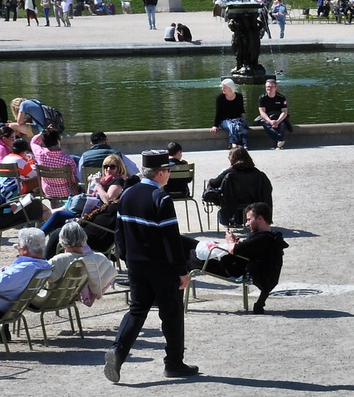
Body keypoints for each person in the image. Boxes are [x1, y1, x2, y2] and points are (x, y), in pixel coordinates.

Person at [105, 150, 198, 383]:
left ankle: (118, 350)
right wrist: (181, 271)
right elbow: (171, 238)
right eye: (167, 170)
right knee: (172, 314)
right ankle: (174, 363)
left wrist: (127, 257)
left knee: (137, 311)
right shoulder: (161, 198)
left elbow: (119, 232)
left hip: (136, 264)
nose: (168, 174)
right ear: (160, 173)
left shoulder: (127, 194)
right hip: (162, 267)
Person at [186, 202, 288, 313]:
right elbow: (245, 250)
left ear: (259, 218)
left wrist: (230, 241)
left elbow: (233, 250)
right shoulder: (270, 238)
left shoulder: (262, 239)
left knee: (182, 252)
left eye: (249, 220)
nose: (247, 223)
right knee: (184, 242)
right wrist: (236, 243)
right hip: (232, 264)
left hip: (227, 268)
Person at [49, 220, 118, 306]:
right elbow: (110, 275)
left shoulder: (59, 260)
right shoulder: (96, 259)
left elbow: (46, 279)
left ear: (61, 239)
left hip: (54, 298)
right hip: (72, 296)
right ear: (83, 237)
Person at [206, 147, 272, 230]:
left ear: (233, 159)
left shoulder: (230, 172)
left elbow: (214, 183)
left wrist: (210, 181)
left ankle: (229, 220)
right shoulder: (258, 173)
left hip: (232, 203)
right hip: (253, 201)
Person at [256, 77, 291, 149]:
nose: (269, 88)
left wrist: (277, 121)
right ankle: (280, 139)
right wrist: (270, 121)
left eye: (271, 87)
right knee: (266, 124)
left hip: (279, 117)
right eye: (267, 87)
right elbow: (262, 112)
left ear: (275, 88)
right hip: (267, 118)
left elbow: (284, 112)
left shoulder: (281, 98)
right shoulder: (262, 98)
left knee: (282, 125)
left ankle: (278, 142)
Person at [212, 79, 248, 148]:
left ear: (230, 88)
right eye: (222, 87)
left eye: (224, 87)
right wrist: (215, 125)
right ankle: (237, 145)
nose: (223, 89)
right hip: (225, 120)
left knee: (240, 126)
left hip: (237, 119)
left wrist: (244, 121)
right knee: (232, 126)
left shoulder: (239, 96)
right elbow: (218, 113)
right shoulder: (220, 98)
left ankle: (239, 144)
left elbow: (241, 110)